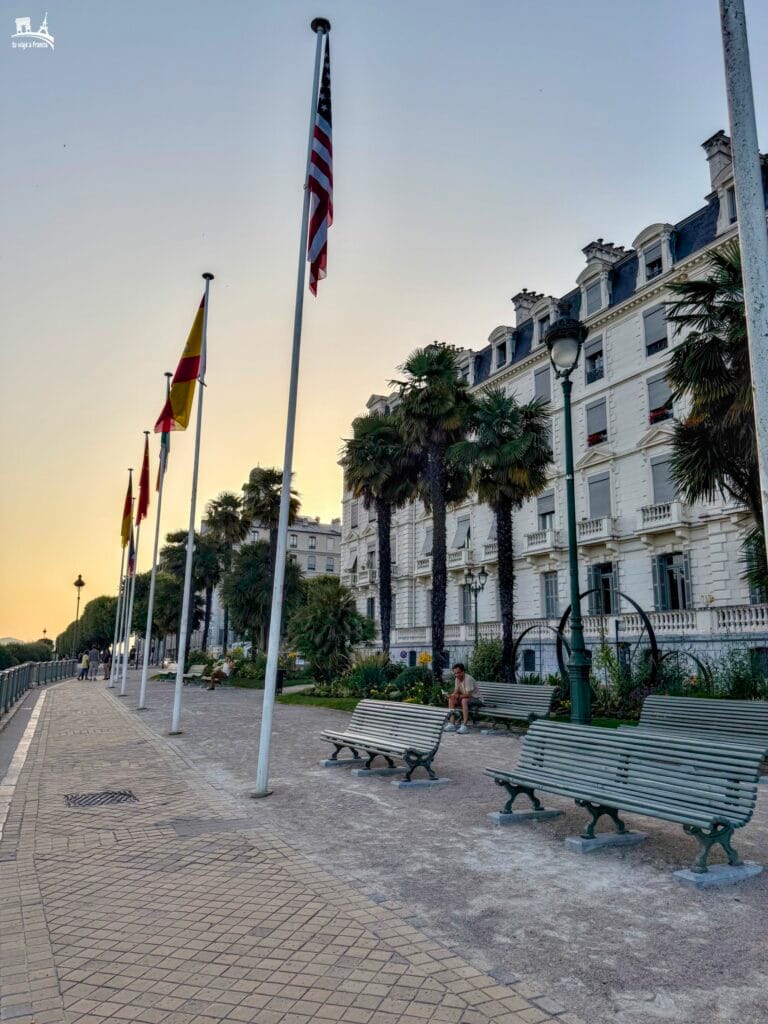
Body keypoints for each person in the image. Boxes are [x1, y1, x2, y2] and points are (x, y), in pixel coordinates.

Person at [443, 663, 479, 734]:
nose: (457, 675)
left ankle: (465, 726)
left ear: (463, 671)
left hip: (476, 699)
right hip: (467, 698)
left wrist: (458, 696)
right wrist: (451, 695)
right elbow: (456, 691)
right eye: (455, 673)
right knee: (451, 699)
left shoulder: (468, 679)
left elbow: (468, 695)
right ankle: (452, 724)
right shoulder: (457, 679)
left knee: (464, 701)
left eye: (458, 673)